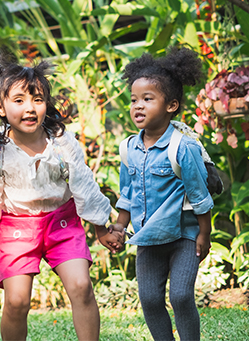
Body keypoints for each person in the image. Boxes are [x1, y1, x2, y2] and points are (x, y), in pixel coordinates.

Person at [0, 60, 124, 341]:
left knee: (82, 286)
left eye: (37, 99)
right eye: (19, 100)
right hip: (15, 229)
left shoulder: (60, 142)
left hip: (62, 222)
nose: (29, 108)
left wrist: (100, 227)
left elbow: (83, 182)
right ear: (1, 108)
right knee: (16, 301)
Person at [112, 47, 212, 341]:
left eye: (147, 99)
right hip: (148, 238)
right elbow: (127, 194)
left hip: (184, 236)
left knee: (181, 296)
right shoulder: (128, 148)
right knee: (150, 300)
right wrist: (119, 225)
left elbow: (199, 194)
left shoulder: (183, 147)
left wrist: (204, 233)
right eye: (133, 100)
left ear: (171, 105)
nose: (137, 106)